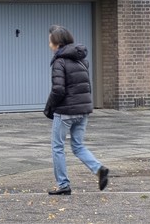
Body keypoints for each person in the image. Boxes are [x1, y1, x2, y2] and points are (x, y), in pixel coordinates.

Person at [43, 25, 109, 195]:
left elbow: (58, 90)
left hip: (65, 112)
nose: (49, 44)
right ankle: (99, 168)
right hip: (83, 110)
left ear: (57, 43)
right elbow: (86, 86)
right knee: (78, 146)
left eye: (50, 41)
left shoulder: (60, 61)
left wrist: (49, 107)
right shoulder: (81, 60)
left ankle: (63, 184)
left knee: (58, 147)